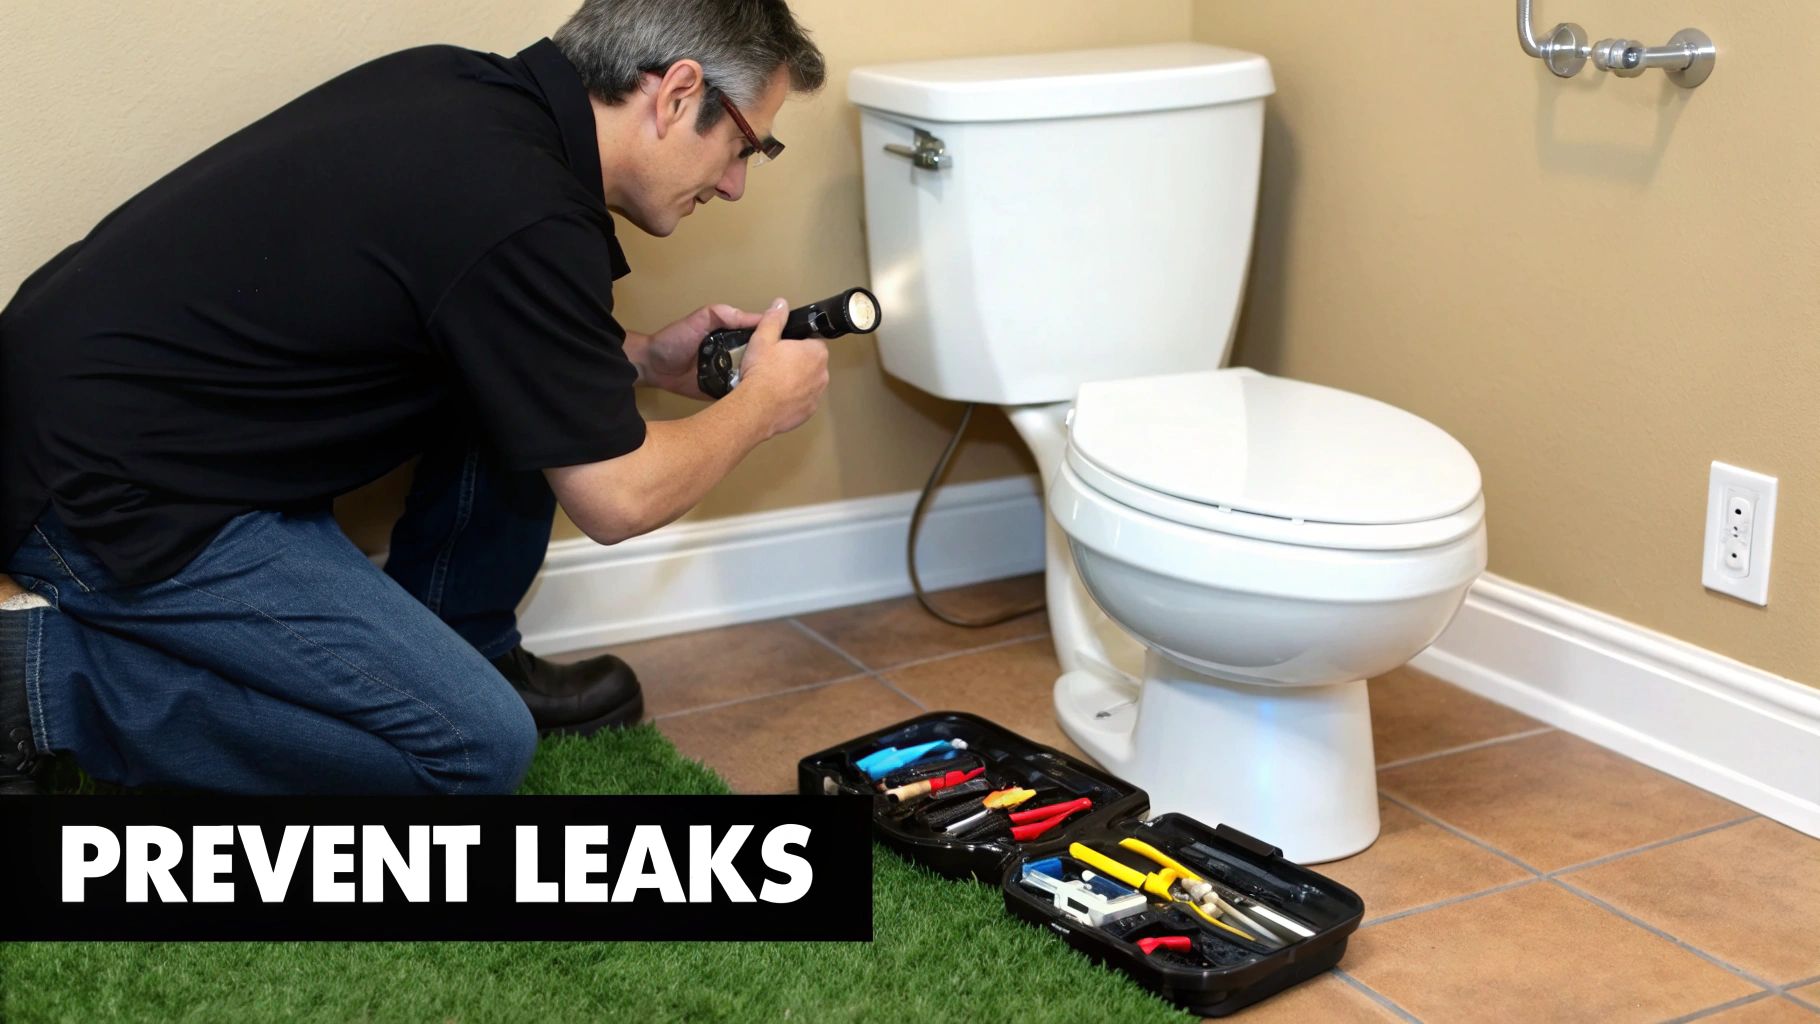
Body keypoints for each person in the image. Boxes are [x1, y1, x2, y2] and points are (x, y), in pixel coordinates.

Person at [0, 0, 830, 795]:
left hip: (93, 419)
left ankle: (467, 640)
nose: (734, 186)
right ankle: (37, 679)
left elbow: (499, 323)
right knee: (472, 750)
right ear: (679, 91)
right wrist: (758, 406)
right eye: (747, 146)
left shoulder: (470, 98)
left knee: (497, 385)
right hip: (102, 490)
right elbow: (617, 497)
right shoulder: (527, 214)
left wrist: (643, 358)